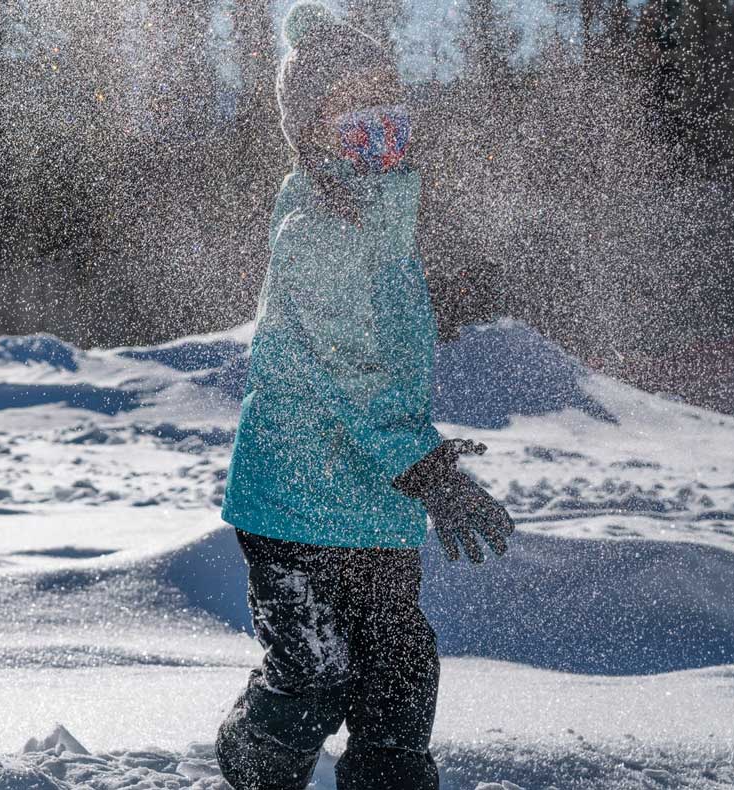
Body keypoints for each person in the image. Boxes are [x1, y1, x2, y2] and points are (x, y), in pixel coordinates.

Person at [214, 4, 515, 789]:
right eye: (350, 102)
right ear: (310, 129)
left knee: (399, 673)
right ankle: (251, 768)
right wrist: (429, 471)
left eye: (386, 92)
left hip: (375, 507)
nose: (377, 115)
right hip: (294, 504)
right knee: (315, 676)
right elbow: (357, 374)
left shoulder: (386, 218)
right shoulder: (317, 228)